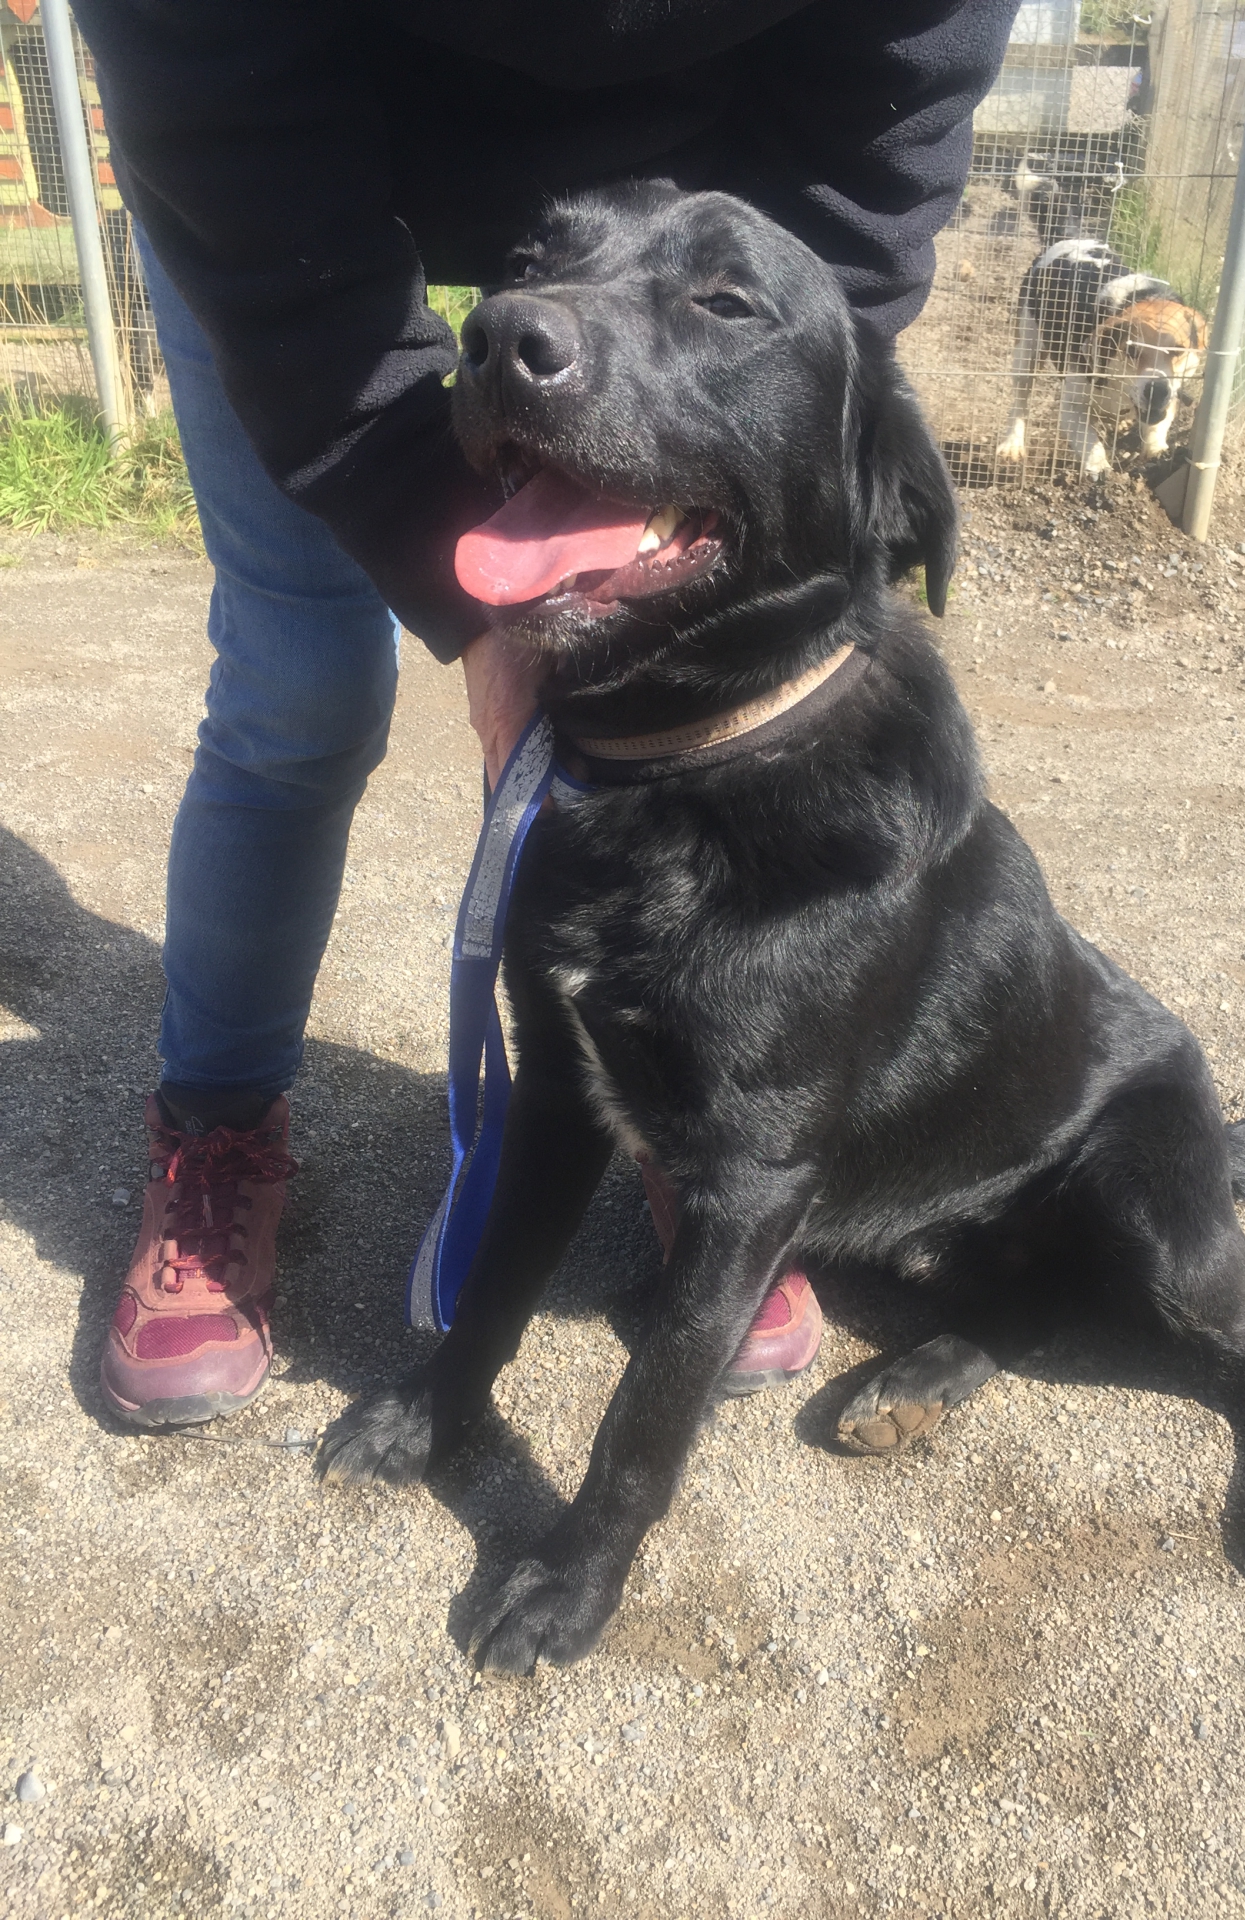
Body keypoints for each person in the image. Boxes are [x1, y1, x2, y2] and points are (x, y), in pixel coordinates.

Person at [73, 0, 1019, 1428]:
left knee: (696, 697)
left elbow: (865, 172)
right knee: (298, 684)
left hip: (699, 191)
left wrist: (742, 437)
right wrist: (462, 598)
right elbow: (228, 125)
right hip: (295, 194)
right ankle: (217, 1129)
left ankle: (676, 1119)